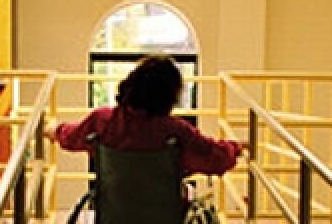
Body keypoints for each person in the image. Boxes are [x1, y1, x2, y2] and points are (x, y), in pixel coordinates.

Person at [43, 55, 246, 175]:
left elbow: (71, 137)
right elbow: (211, 154)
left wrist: (52, 129)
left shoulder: (103, 120)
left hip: (115, 210)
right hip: (162, 213)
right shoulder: (176, 130)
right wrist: (236, 147)